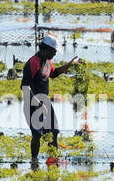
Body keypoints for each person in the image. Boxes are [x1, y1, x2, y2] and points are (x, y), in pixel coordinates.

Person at [21, 35, 78, 165]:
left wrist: (70, 64)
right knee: (37, 134)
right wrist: (37, 102)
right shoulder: (33, 62)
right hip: (32, 102)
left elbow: (54, 73)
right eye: (54, 51)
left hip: (45, 102)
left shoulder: (47, 62)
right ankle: (34, 162)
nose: (55, 54)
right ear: (46, 49)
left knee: (54, 131)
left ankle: (53, 160)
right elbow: (25, 87)